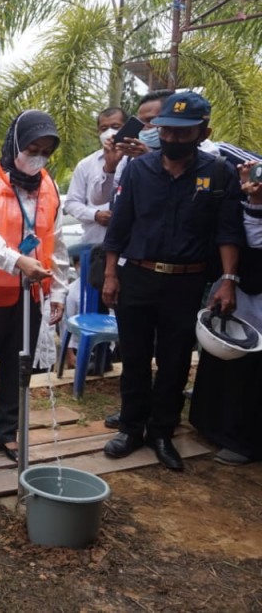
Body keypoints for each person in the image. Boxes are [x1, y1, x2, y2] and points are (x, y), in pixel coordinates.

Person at [101, 91, 243, 471]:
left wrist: (227, 280)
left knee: (175, 361)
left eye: (183, 134)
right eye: (167, 132)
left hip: (186, 282)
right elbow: (119, 226)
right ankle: (131, 428)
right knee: (133, 356)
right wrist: (111, 273)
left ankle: (162, 431)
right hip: (138, 277)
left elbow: (228, 232)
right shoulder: (138, 170)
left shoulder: (218, 173)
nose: (172, 140)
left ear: (203, 132)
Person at [0, 110, 68, 463]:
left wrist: (59, 290)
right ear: (16, 143)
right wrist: (17, 261)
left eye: (46, 151)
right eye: (32, 147)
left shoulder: (48, 184)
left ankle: (8, 430)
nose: (38, 157)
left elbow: (58, 239)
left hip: (29, 293)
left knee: (16, 364)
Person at [190, 157, 262, 465]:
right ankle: (212, 424)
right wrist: (248, 196)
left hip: (255, 294)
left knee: (252, 369)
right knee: (227, 356)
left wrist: (255, 202)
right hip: (239, 285)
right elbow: (238, 233)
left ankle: (244, 440)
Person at [64, 107, 127, 244]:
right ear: (98, 131)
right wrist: (95, 215)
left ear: (126, 127)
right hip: (95, 244)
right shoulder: (86, 165)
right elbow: (71, 203)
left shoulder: (137, 160)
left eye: (115, 127)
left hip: (128, 247)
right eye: (104, 129)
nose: (110, 132)